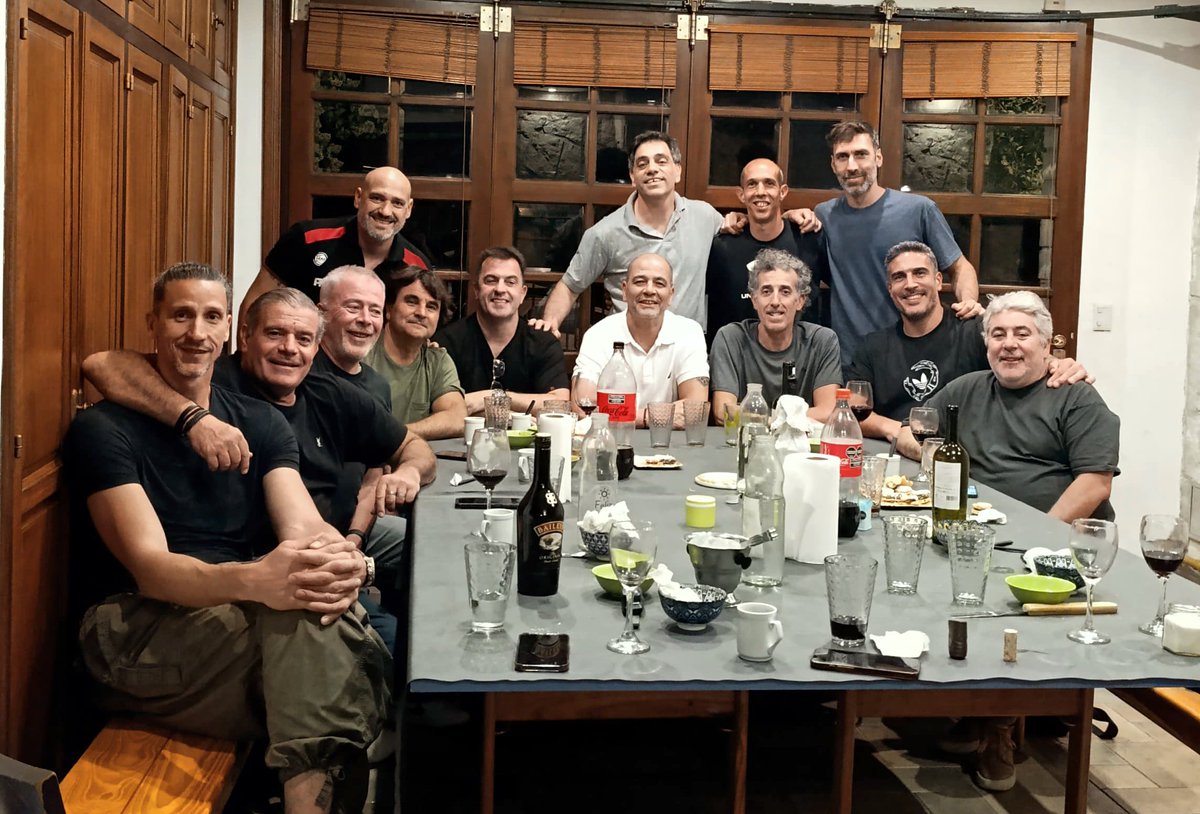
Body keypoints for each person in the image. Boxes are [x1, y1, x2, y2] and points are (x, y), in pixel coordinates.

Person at [66, 263, 391, 813]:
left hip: (239, 624)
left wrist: (344, 562)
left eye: (210, 316)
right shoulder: (103, 430)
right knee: (334, 642)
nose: (196, 332)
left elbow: (304, 525)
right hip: (134, 629)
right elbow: (152, 569)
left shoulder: (261, 422)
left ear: (226, 333)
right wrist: (258, 580)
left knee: (316, 618)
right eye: (181, 315)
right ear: (153, 324)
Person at [895, 291, 1119, 793]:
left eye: (1022, 334)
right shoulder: (968, 389)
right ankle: (970, 707)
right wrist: (927, 448)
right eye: (998, 334)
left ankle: (999, 728)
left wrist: (1040, 538)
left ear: (1046, 344)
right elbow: (914, 431)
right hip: (978, 533)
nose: (1010, 345)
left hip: (1053, 547)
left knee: (1002, 602)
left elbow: (1095, 483)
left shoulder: (1076, 396)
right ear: (986, 344)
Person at [852, 241, 1091, 442]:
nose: (910, 284)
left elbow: (1025, 360)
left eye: (919, 273)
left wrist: (1058, 364)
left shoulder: (975, 331)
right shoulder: (871, 346)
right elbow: (852, 412)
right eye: (899, 277)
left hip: (971, 456)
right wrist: (896, 430)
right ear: (890, 288)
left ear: (937, 280)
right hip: (898, 453)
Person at [812, 121, 982, 366]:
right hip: (849, 358)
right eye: (842, 157)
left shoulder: (918, 209)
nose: (851, 166)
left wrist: (968, 303)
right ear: (833, 164)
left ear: (878, 158)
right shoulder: (823, 216)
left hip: (913, 354)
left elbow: (960, 268)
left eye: (861, 155)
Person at [531, 131, 724, 332]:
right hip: (627, 350)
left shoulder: (704, 216)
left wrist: (738, 219)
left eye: (661, 161)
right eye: (642, 164)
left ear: (677, 171)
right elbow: (570, 286)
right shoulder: (605, 232)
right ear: (632, 176)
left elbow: (738, 233)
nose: (652, 169)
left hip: (686, 351)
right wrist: (549, 326)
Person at [240, 166, 430, 328]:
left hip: (372, 369)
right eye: (377, 198)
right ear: (358, 198)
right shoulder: (306, 238)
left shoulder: (416, 267)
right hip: (296, 361)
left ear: (409, 209)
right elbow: (255, 306)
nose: (385, 211)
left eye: (397, 203)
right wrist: (245, 364)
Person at [571, 254, 708, 426]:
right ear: (624, 290)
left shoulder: (689, 332)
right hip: (612, 441)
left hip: (669, 445)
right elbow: (582, 408)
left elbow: (695, 409)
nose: (649, 290)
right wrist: (647, 417)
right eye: (640, 282)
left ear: (671, 294)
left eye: (659, 283)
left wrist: (615, 414)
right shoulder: (598, 335)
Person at [710, 249, 841, 422]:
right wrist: (788, 419)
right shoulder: (730, 338)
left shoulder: (822, 341)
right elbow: (723, 412)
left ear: (800, 301)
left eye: (785, 292)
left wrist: (764, 418)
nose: (775, 302)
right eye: (766, 291)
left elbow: (827, 412)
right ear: (754, 300)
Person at [435, 247, 570, 414]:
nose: (500, 289)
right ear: (476, 290)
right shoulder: (447, 342)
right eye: (491, 280)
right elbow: (440, 407)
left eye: (510, 282)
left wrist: (496, 397)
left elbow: (560, 403)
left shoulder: (542, 342)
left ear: (522, 294)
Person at [706, 159, 828, 344]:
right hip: (738, 362)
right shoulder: (723, 246)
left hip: (800, 361)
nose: (760, 192)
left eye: (769, 183)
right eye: (752, 184)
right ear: (741, 194)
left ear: (782, 192)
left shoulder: (808, 239)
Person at [366, 265, 467, 440]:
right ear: (389, 310)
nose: (421, 313)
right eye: (411, 301)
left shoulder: (438, 360)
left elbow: (457, 418)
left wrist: (395, 435)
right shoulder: (363, 352)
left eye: (431, 306)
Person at [313, 264, 392, 408]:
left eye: (375, 311)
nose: (366, 319)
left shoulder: (379, 387)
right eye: (354, 307)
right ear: (322, 313)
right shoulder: (299, 374)